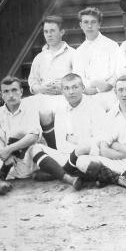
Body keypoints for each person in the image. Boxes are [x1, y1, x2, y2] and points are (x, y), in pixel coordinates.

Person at [0, 77, 83, 195]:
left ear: (21, 92)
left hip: (30, 160)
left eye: (14, 90)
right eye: (6, 91)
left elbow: (33, 136)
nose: (11, 95)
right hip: (7, 163)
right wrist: (4, 154)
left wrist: (8, 149)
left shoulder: (30, 108)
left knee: (22, 136)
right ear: (2, 95)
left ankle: (67, 178)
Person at [26, 15, 75, 150]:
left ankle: (59, 149)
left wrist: (63, 87)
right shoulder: (40, 57)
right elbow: (32, 81)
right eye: (46, 31)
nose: (49, 35)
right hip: (44, 95)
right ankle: (47, 149)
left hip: (65, 96)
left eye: (52, 31)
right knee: (28, 109)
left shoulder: (72, 54)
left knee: (58, 111)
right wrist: (41, 88)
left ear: (62, 32)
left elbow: (79, 78)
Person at [72, 7, 124, 111]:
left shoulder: (112, 45)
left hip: (108, 93)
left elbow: (118, 72)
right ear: (81, 25)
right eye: (86, 22)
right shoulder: (79, 51)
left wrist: (105, 86)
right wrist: (86, 89)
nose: (89, 26)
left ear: (99, 24)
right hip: (86, 93)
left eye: (93, 22)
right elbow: (78, 77)